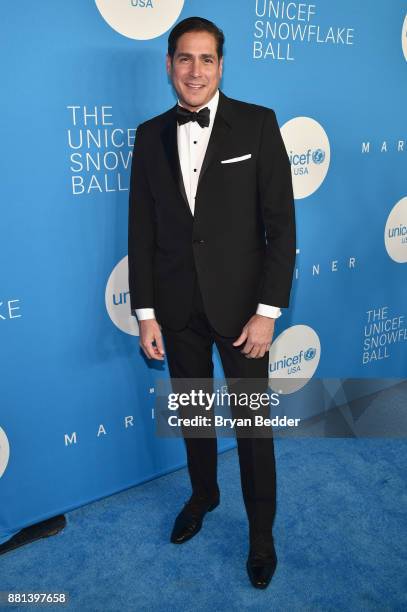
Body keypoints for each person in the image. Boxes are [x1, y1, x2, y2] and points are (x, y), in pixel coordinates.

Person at [128, 16, 296, 589]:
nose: (194, 70)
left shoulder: (257, 124)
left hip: (245, 311)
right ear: (169, 66)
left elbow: (281, 227)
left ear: (222, 66)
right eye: (184, 58)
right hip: (176, 309)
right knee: (195, 414)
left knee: (253, 428)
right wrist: (146, 313)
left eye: (206, 59)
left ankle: (262, 534)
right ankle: (203, 495)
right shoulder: (148, 135)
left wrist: (268, 312)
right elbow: (141, 231)